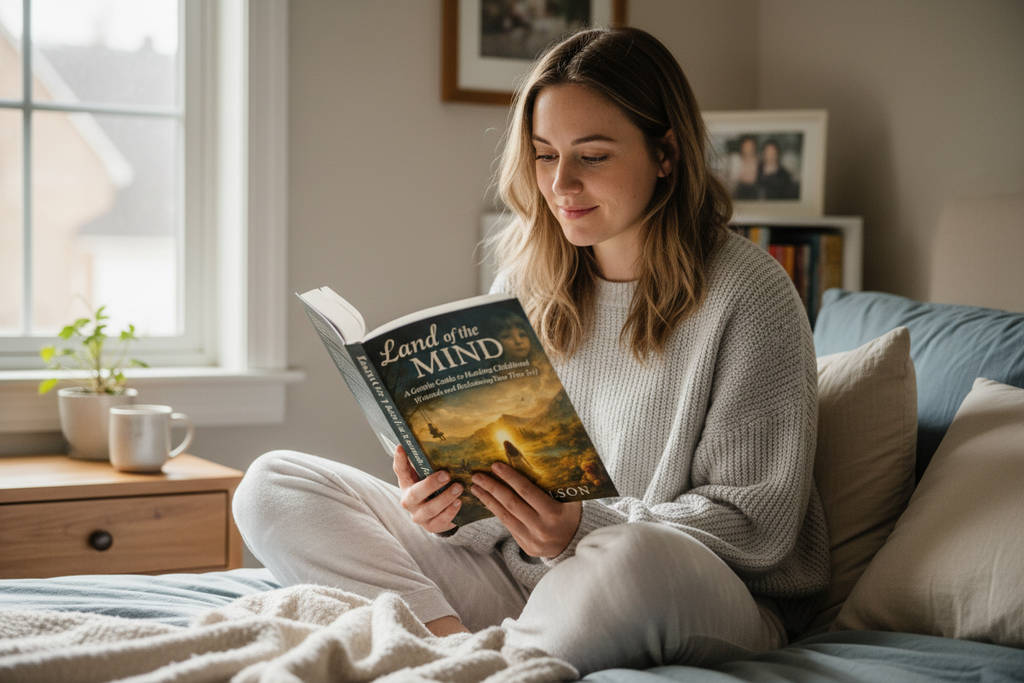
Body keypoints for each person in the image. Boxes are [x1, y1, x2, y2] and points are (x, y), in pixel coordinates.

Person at [232, 26, 829, 676]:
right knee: (272, 484)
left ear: (666, 153)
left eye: (592, 156)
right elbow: (507, 493)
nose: (562, 183)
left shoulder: (751, 294)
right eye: (545, 156)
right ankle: (452, 655)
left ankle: (493, 659)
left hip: (691, 588)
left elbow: (753, 525)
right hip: (524, 576)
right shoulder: (528, 279)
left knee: (632, 557)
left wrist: (580, 528)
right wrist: (450, 506)